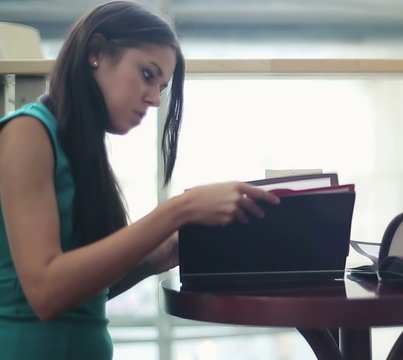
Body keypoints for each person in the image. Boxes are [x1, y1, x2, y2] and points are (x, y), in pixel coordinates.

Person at [0, 1, 279, 359]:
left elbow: (81, 298)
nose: (152, 98)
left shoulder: (84, 150)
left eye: (161, 86)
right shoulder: (28, 133)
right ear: (96, 52)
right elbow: (46, 294)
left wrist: (153, 259)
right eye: (147, 74)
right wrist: (179, 209)